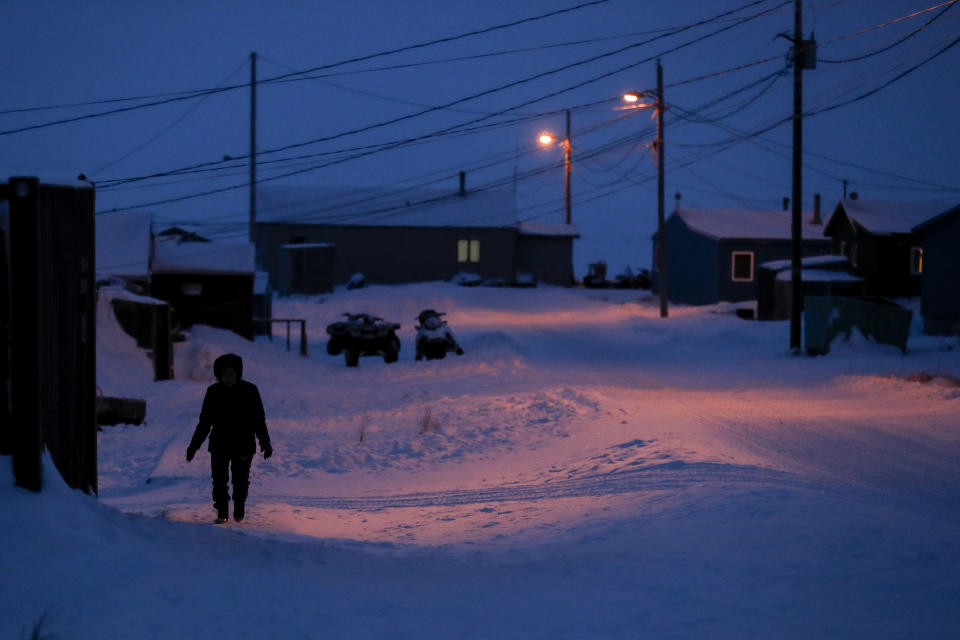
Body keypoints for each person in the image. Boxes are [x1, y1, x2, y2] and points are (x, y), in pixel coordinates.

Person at [186, 353, 272, 524]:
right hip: (220, 443)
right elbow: (205, 422)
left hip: (244, 443)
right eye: (224, 375)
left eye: (231, 375)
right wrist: (194, 446)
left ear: (238, 374)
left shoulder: (250, 391)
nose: (227, 379)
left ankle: (239, 505)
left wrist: (265, 441)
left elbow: (258, 419)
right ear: (219, 376)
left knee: (240, 480)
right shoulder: (213, 392)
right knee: (219, 480)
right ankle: (222, 512)